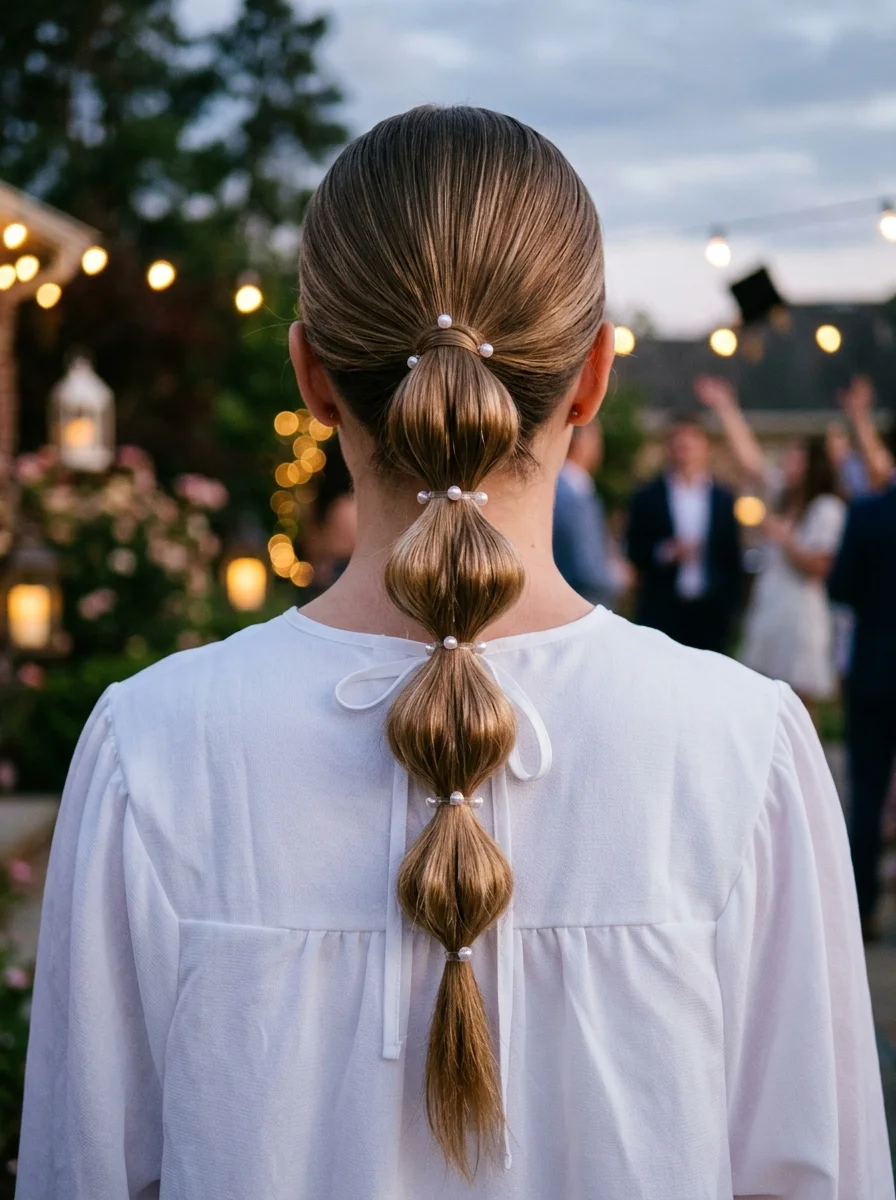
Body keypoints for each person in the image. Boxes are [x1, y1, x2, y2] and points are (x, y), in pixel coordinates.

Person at [16, 107, 891, 1199]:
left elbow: (81, 1172)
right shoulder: (745, 756)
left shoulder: (149, 753)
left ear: (313, 376)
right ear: (590, 378)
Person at [694, 378, 848, 711]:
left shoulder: (827, 508)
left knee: (800, 708)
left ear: (810, 463)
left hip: (800, 616)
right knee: (766, 702)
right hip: (771, 605)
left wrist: (783, 537)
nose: (786, 461)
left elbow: (820, 567)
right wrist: (725, 407)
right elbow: (750, 460)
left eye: (793, 456)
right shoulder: (782, 496)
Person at [828, 471, 896, 943]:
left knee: (867, 794)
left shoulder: (869, 513)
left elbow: (840, 587)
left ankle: (864, 910)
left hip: (875, 667)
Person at [626, 411, 743, 651]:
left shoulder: (723, 498)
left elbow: (732, 557)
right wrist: (665, 552)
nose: (685, 449)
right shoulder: (647, 497)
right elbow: (633, 548)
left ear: (706, 448)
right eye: (679, 443)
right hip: (663, 608)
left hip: (710, 610)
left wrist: (731, 608)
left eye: (692, 442)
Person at [552, 418, 621, 607]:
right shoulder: (573, 493)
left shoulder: (557, 487)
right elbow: (588, 569)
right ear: (581, 441)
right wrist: (619, 576)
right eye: (596, 439)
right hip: (581, 605)